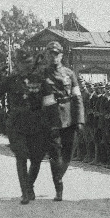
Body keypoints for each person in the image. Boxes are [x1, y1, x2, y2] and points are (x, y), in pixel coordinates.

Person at [0, 49, 48, 204]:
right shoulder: (11, 80)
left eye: (29, 63)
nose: (26, 66)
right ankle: (25, 192)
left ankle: (29, 185)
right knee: (21, 156)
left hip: (36, 122)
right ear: (18, 65)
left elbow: (47, 100)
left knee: (36, 158)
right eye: (23, 63)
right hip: (17, 123)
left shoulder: (39, 79)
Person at [40, 41, 85, 201]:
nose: (54, 57)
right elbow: (39, 99)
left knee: (68, 153)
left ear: (61, 55)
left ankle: (59, 176)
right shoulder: (43, 74)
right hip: (51, 119)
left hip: (70, 118)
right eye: (51, 54)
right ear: (47, 56)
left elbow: (77, 97)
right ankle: (58, 185)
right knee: (54, 154)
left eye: (56, 54)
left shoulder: (70, 74)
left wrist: (80, 120)